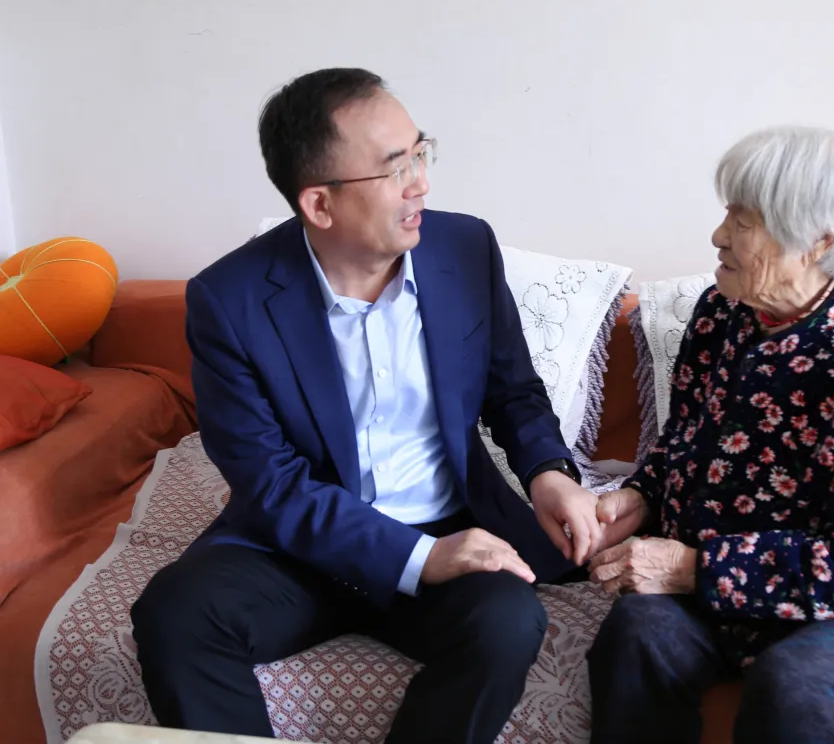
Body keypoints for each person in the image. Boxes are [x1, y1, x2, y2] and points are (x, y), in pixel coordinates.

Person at [130, 68, 605, 744]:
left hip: (451, 526)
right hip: (298, 546)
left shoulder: (465, 249)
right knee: (176, 613)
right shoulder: (229, 299)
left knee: (505, 621)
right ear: (319, 205)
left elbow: (513, 391)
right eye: (394, 168)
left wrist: (548, 474)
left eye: (421, 153)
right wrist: (416, 557)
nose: (421, 183)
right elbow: (270, 482)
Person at [585, 126, 834, 744]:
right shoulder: (721, 312)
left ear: (819, 242)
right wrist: (641, 495)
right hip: (716, 594)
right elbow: (684, 442)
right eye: (727, 213)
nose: (718, 235)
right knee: (634, 635)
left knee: (792, 687)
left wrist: (695, 569)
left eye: (744, 221)